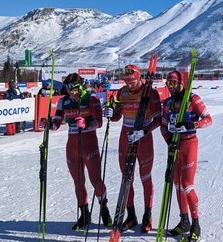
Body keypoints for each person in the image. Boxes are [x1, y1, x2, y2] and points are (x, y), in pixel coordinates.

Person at [104, 64, 162, 233]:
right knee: (126, 178)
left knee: (145, 178)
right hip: (125, 137)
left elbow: (158, 120)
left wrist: (144, 131)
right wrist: (110, 113)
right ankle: (131, 216)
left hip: (143, 138)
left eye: (132, 81)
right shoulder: (122, 92)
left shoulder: (151, 93)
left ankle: (147, 215)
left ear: (139, 78)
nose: (129, 84)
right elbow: (117, 116)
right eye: (126, 81)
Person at [51, 78, 112, 231]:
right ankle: (84, 214)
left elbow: (99, 122)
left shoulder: (92, 99)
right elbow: (57, 122)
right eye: (70, 91)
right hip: (72, 146)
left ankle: (104, 209)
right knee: (78, 181)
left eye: (76, 91)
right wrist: (48, 124)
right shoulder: (63, 101)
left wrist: (87, 124)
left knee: (95, 180)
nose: (73, 94)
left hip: (89, 143)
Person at [160, 71, 212, 242]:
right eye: (168, 83)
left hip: (189, 144)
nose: (170, 86)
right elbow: (163, 125)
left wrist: (193, 123)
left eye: (173, 83)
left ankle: (196, 225)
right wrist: (169, 141)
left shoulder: (193, 99)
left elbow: (209, 119)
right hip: (175, 145)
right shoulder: (167, 103)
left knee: (187, 186)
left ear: (182, 83)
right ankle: (184, 221)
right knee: (177, 184)